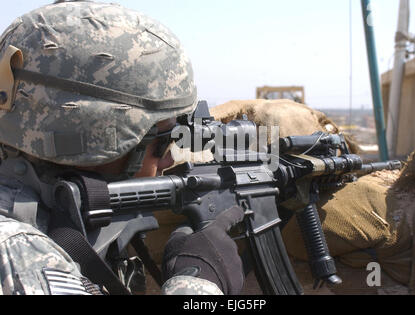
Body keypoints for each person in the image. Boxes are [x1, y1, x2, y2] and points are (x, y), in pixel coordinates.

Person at [0, 0, 243, 295]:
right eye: (164, 141)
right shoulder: (19, 255)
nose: (168, 161)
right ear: (99, 138)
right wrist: (196, 282)